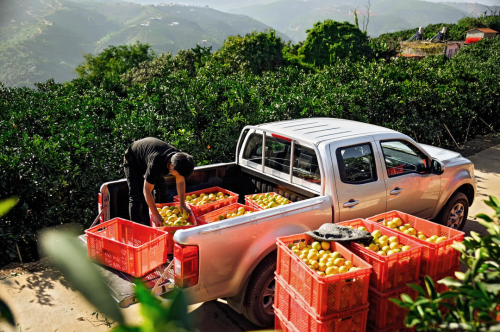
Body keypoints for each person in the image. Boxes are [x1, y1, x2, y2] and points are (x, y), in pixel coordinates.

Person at [123, 137, 195, 226]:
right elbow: (147, 191)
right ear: (172, 165)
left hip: (150, 157)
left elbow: (180, 181)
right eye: (178, 174)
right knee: (136, 196)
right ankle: (136, 227)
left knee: (162, 187)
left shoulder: (180, 160)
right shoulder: (155, 164)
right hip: (133, 158)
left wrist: (182, 203)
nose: (178, 176)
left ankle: (160, 212)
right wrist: (155, 214)